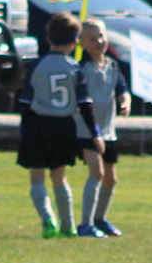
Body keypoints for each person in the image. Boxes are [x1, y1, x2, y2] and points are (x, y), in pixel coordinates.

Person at [18, 12, 100, 238]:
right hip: (64, 126)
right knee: (59, 177)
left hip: (38, 125)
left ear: (48, 38)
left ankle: (48, 221)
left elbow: (25, 102)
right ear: (74, 42)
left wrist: (24, 130)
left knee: (37, 177)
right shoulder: (74, 67)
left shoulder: (37, 65)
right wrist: (95, 132)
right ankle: (68, 226)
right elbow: (84, 104)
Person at [73, 19, 131, 238]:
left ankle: (100, 219)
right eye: (92, 38)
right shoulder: (82, 69)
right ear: (81, 43)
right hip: (87, 129)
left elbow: (122, 89)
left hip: (108, 130)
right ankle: (85, 224)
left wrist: (125, 103)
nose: (98, 41)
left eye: (101, 36)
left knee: (110, 178)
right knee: (96, 173)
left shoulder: (112, 65)